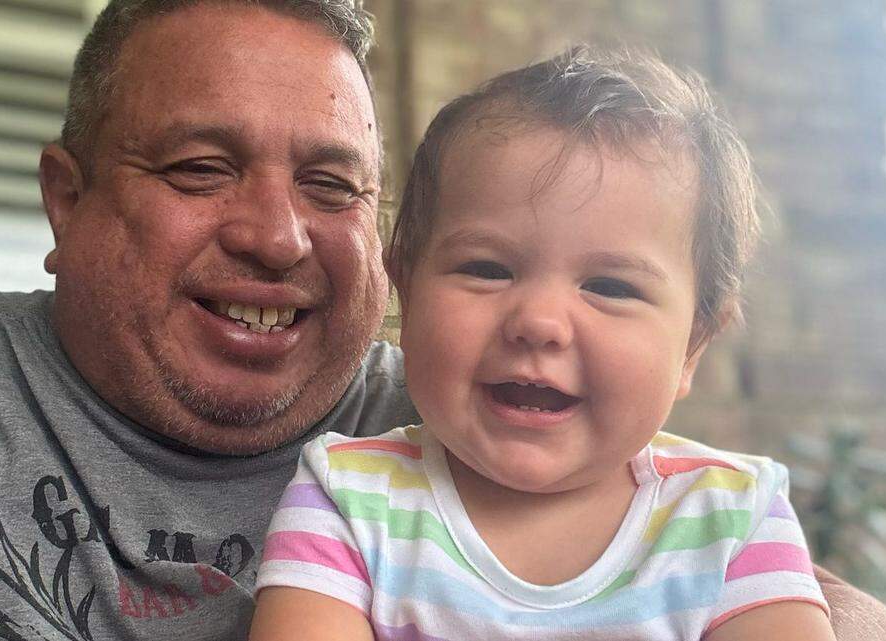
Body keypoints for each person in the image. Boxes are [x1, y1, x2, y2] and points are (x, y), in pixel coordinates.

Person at [0, 1, 886, 640]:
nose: (277, 236)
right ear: (65, 198)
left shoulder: (477, 419)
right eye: (200, 167)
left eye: (332, 184)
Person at [249, 49, 835, 640]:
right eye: (486, 268)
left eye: (608, 286)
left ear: (693, 345)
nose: (539, 321)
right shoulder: (347, 501)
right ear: (405, 288)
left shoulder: (732, 521)